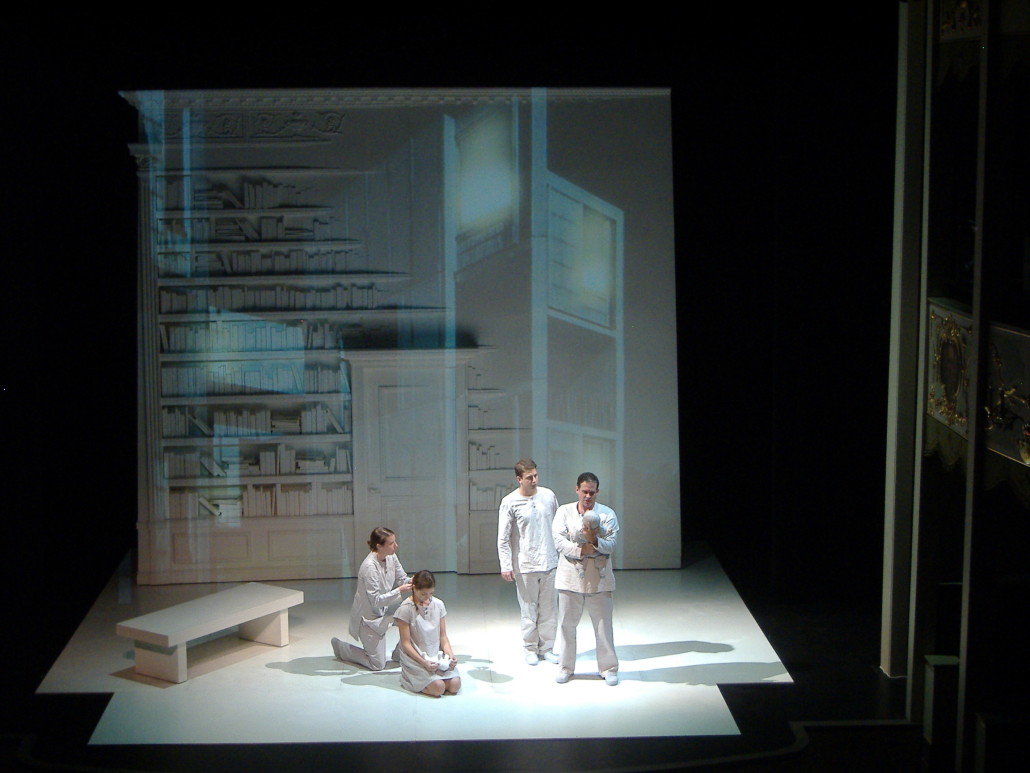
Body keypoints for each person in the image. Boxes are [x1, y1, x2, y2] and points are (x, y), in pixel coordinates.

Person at [552, 472, 620, 686]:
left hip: (599, 577)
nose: (588, 496)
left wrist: (595, 542)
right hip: (570, 576)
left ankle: (608, 668)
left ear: (597, 492)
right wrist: (582, 550)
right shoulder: (564, 512)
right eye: (584, 492)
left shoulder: (607, 514)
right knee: (567, 625)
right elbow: (559, 542)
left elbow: (611, 544)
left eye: (592, 492)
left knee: (603, 626)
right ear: (577, 490)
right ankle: (565, 667)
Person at [497, 458, 560, 665]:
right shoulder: (509, 502)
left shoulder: (548, 496)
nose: (534, 480)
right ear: (519, 479)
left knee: (549, 608)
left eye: (536, 476)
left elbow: (558, 526)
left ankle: (547, 647)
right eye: (529, 477)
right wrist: (506, 565)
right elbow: (503, 537)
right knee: (528, 609)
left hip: (550, 561)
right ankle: (530, 648)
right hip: (525, 564)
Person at [332, 527, 412, 670]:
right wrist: (399, 590)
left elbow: (402, 578)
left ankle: (399, 654)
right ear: (379, 546)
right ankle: (342, 648)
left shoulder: (391, 557)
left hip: (384, 610)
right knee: (377, 665)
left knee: (412, 619)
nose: (396, 545)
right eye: (391, 543)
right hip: (368, 618)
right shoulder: (369, 567)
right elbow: (375, 600)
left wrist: (413, 582)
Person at [394, 570, 461, 696]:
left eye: (431, 593)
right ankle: (410, 679)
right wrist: (424, 662)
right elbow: (406, 644)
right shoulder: (405, 609)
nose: (427, 597)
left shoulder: (438, 604)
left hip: (436, 655)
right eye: (423, 594)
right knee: (438, 688)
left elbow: (443, 636)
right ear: (414, 588)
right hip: (417, 657)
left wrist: (450, 655)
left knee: (455, 685)